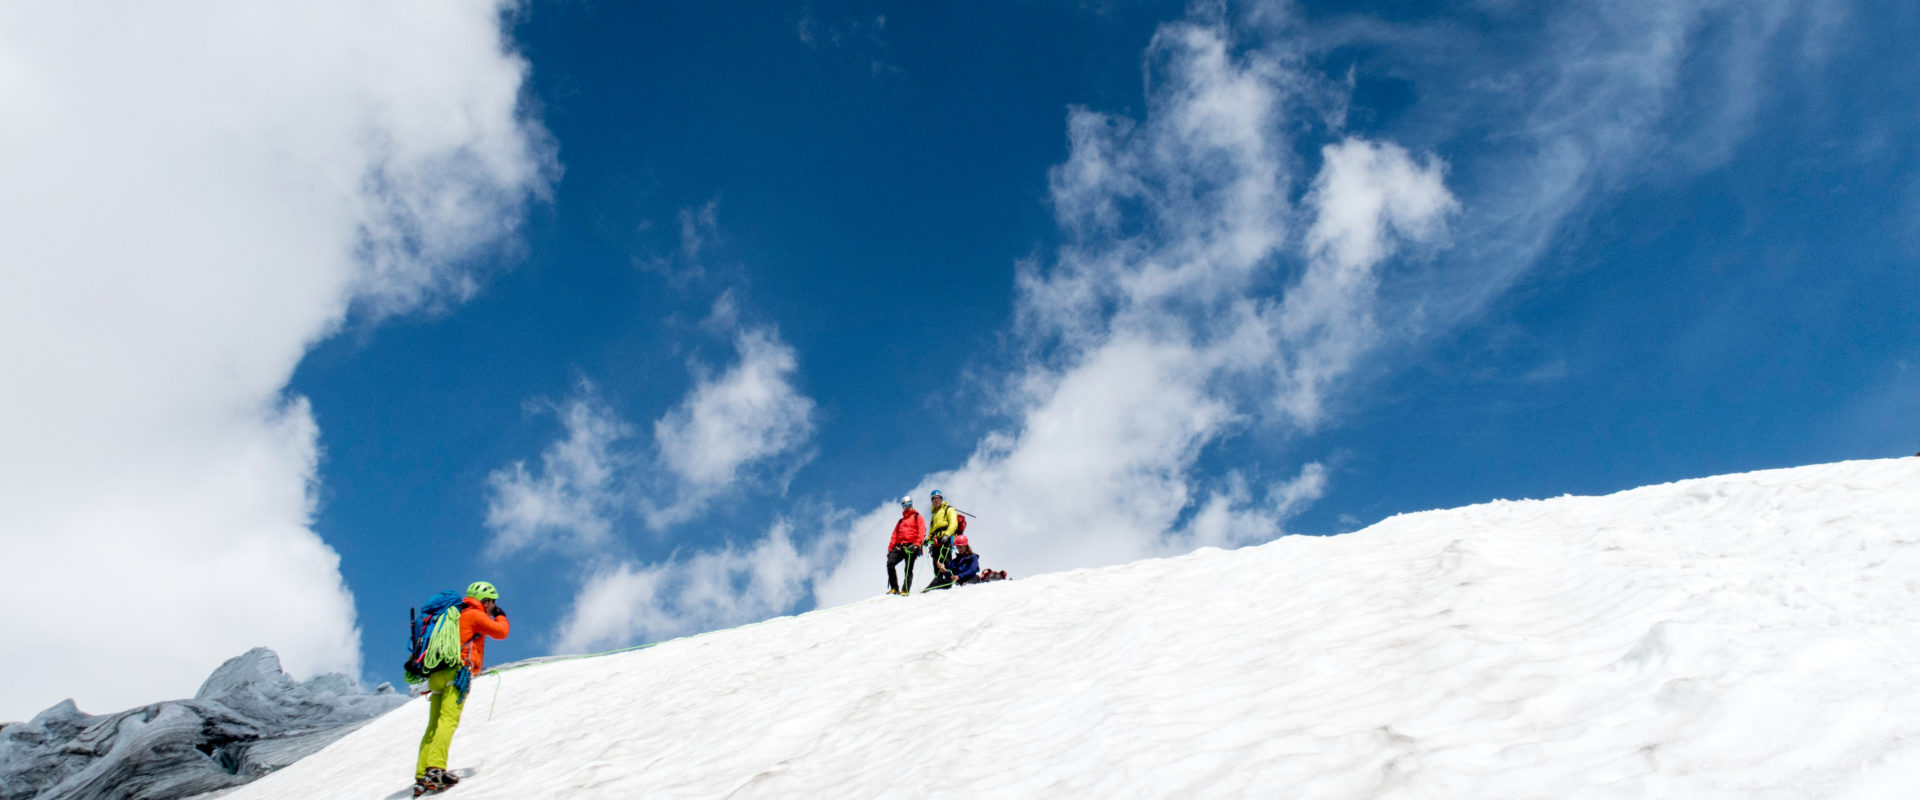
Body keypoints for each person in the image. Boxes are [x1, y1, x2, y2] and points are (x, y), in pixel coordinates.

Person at [414, 581, 510, 796]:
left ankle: (421, 775)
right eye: (493, 603)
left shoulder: (454, 614)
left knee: (433, 725)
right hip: (456, 673)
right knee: (448, 721)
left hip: (436, 675)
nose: (494, 606)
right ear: (486, 601)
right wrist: (501, 616)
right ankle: (435, 769)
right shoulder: (475, 615)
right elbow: (501, 632)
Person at [886, 496, 924, 595]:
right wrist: (890, 549)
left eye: (909, 505)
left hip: (912, 546)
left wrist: (917, 544)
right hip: (900, 547)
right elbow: (894, 535)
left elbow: (921, 531)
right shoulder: (900, 521)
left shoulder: (917, 517)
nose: (907, 507)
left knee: (908, 568)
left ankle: (905, 589)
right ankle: (894, 588)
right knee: (890, 563)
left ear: (912, 504)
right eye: (905, 506)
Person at [922, 489, 959, 591]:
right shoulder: (934, 516)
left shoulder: (949, 509)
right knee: (936, 563)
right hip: (936, 541)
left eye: (938, 498)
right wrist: (928, 539)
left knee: (947, 561)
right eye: (933, 499)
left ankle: (949, 582)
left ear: (941, 499)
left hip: (945, 539)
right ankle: (939, 583)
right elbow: (932, 531)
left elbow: (953, 523)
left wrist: (947, 535)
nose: (936, 500)